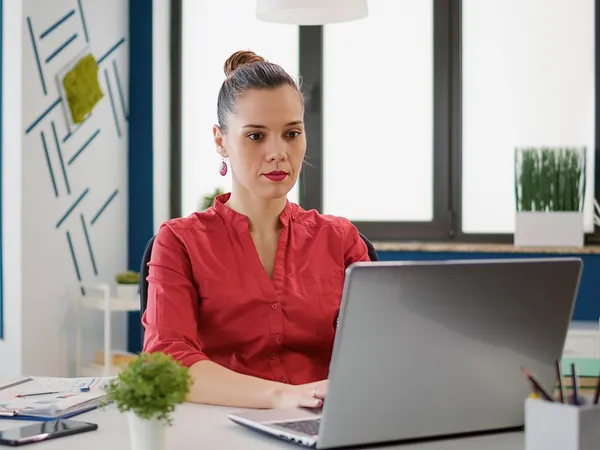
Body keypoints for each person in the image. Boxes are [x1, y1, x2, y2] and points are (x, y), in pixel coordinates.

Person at [142, 50, 370, 410]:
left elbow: (379, 347)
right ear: (221, 141)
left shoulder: (340, 239)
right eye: (255, 136)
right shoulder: (179, 241)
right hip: (220, 424)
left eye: (291, 133)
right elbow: (166, 360)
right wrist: (284, 396)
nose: (278, 152)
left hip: (325, 424)